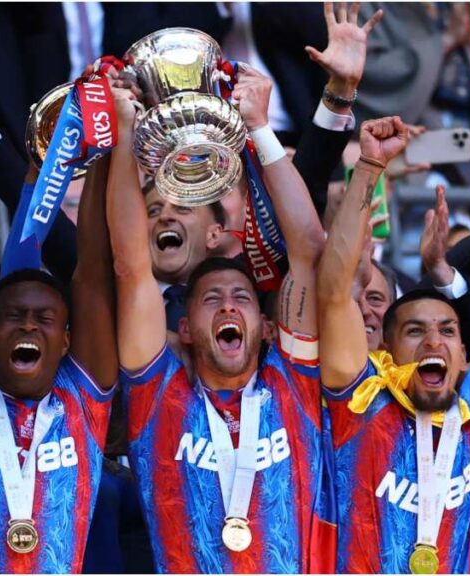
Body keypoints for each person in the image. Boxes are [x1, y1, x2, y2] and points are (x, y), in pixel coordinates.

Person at [105, 58, 331, 571]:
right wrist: (123, 134)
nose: (229, 304)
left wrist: (259, 129)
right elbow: (130, 265)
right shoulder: (157, 391)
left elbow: (308, 251)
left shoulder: (293, 381)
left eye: (242, 299)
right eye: (211, 300)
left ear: (268, 327)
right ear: (184, 328)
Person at [317, 116, 470, 573]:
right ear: (385, 348)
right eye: (414, 331)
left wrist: (442, 273)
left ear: (465, 356)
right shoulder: (359, 398)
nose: (434, 342)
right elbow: (334, 294)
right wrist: (368, 166)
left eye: (448, 332)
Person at [0, 155, 117, 572]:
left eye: (44, 320)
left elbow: (92, 271)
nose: (29, 327)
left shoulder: (84, 398)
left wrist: (102, 154)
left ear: (68, 340)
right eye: (14, 317)